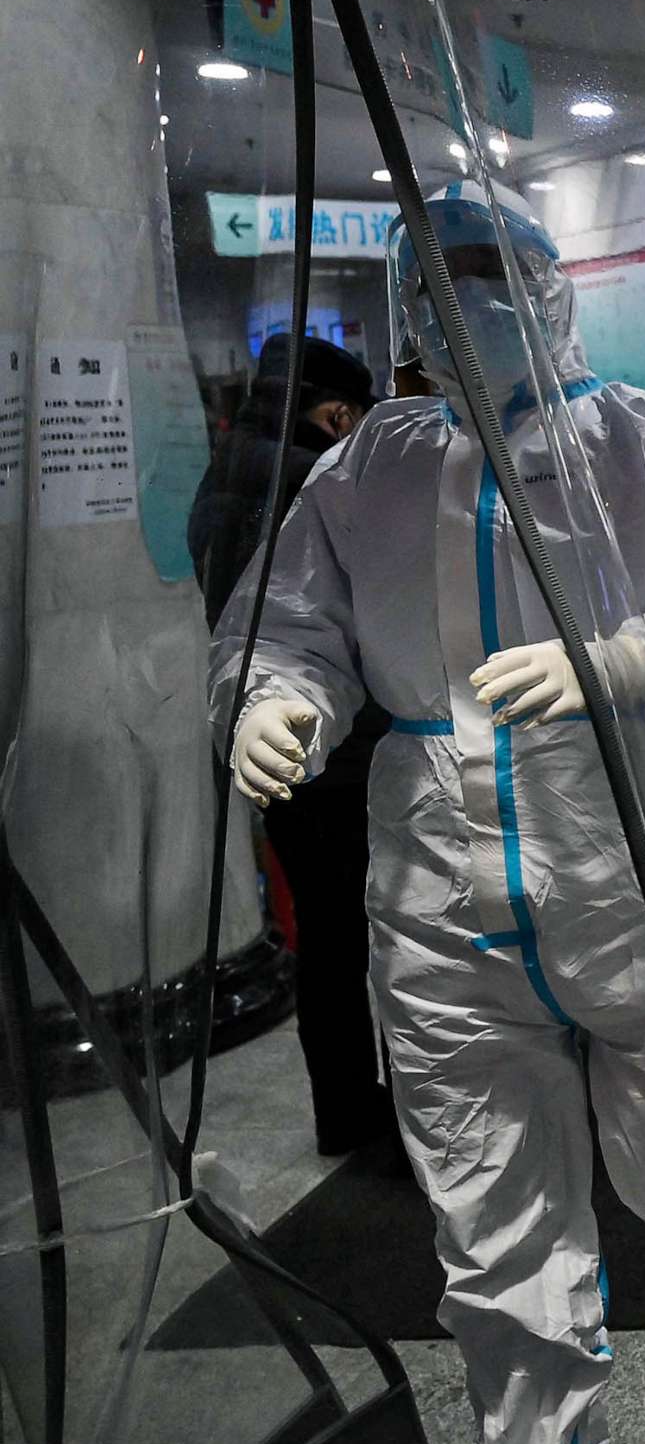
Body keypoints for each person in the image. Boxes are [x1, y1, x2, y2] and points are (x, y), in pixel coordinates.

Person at [211, 183, 645, 1444]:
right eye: (440, 271)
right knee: (494, 1229)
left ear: (550, 286)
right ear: (407, 305)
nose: (468, 294)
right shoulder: (365, 468)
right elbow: (285, 623)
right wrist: (271, 700)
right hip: (444, 901)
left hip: (642, 877)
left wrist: (620, 661)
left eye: (493, 267)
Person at [189, 332, 396, 1156]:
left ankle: (344, 1107)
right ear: (336, 411)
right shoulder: (313, 479)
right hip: (327, 747)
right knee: (350, 937)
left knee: (324, 931)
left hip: (263, 735)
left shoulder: (227, 465)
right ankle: (358, 1112)